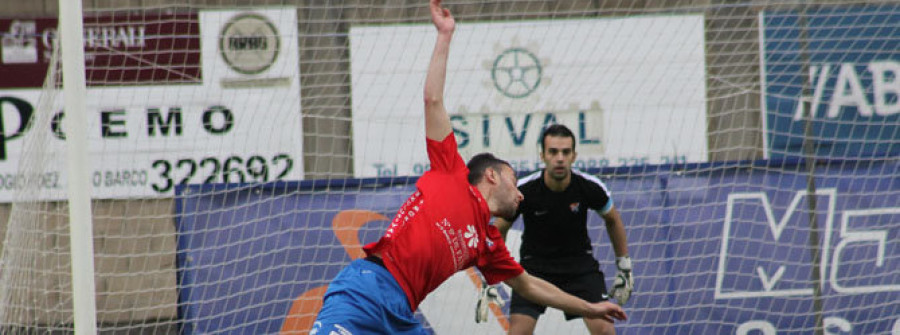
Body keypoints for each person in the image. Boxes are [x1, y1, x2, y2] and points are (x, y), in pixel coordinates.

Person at [309, 1, 627, 334]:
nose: (520, 195)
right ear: (492, 175)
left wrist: (590, 306)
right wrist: (444, 36)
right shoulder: (450, 171)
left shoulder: (487, 242)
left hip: (401, 313)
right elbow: (433, 100)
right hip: (366, 289)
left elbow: (531, 287)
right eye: (514, 182)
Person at [492, 124, 634, 335]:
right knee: (518, 333)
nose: (560, 158)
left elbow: (613, 220)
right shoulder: (524, 191)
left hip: (580, 269)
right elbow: (498, 228)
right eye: (553, 152)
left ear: (574, 156)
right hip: (535, 270)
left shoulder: (589, 187)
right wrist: (494, 272)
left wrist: (624, 266)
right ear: (542, 155)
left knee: (605, 331)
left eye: (566, 152)